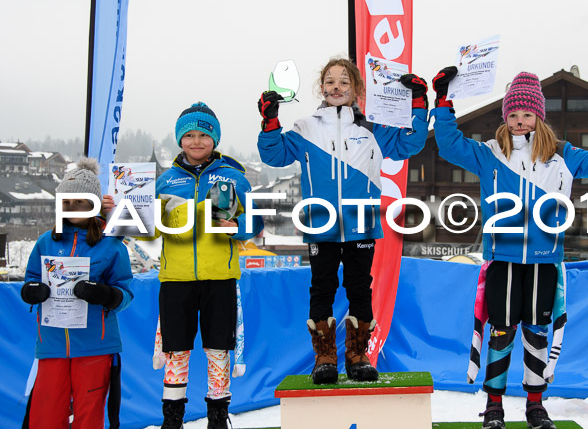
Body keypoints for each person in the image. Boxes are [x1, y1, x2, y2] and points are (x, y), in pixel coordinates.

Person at [431, 67, 588, 429]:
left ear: (539, 116)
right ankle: (493, 405)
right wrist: (443, 102)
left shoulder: (563, 155)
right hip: (503, 260)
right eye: (512, 114)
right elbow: (448, 144)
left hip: (546, 262)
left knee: (537, 332)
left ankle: (535, 405)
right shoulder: (490, 152)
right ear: (504, 117)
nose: (519, 121)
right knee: (502, 330)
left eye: (526, 114)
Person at [257, 57, 429, 384]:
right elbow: (274, 155)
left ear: (356, 89)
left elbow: (411, 142)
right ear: (321, 88)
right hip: (320, 222)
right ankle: (324, 357)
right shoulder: (306, 127)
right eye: (330, 81)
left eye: (344, 82)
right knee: (321, 288)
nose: (336, 87)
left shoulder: (374, 128)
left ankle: (357, 355)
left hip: (360, 221)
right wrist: (269, 120)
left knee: (359, 288)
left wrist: (419, 105)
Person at [104, 101, 263, 428]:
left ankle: (218, 416)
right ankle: (172, 419)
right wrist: (116, 209)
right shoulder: (163, 182)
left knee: (218, 349)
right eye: (188, 135)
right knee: (176, 351)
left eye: (203, 135)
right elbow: (144, 229)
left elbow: (255, 226)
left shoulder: (232, 177)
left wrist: (234, 224)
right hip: (175, 279)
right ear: (179, 139)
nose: (196, 141)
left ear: (215, 139)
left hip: (220, 277)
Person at [21, 158, 134, 428]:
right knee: (46, 416)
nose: (72, 208)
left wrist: (105, 294)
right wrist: (32, 291)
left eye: (80, 201)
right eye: (66, 202)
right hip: (52, 345)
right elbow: (31, 281)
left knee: (88, 415)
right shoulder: (46, 241)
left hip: (95, 345)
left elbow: (125, 293)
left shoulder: (111, 245)